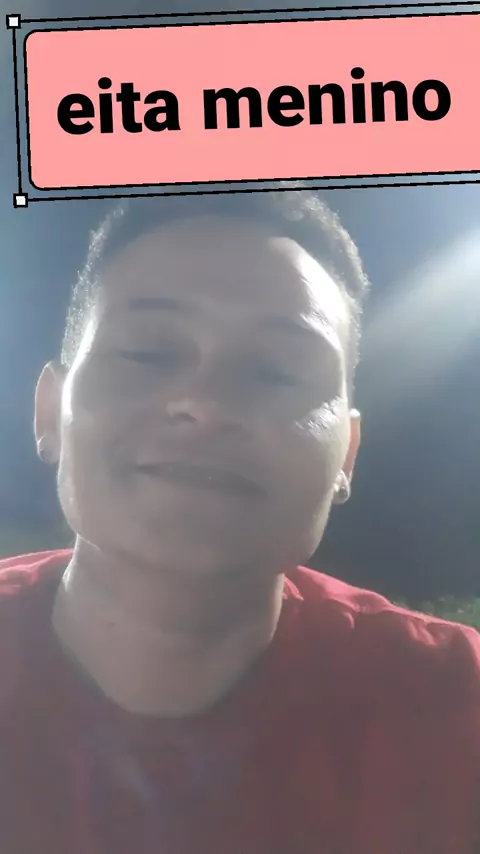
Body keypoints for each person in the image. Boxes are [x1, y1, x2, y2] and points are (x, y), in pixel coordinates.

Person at [1, 189, 479, 854]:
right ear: (49, 413)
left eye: (276, 370)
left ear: (346, 455)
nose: (205, 402)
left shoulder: (457, 706)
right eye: (147, 353)